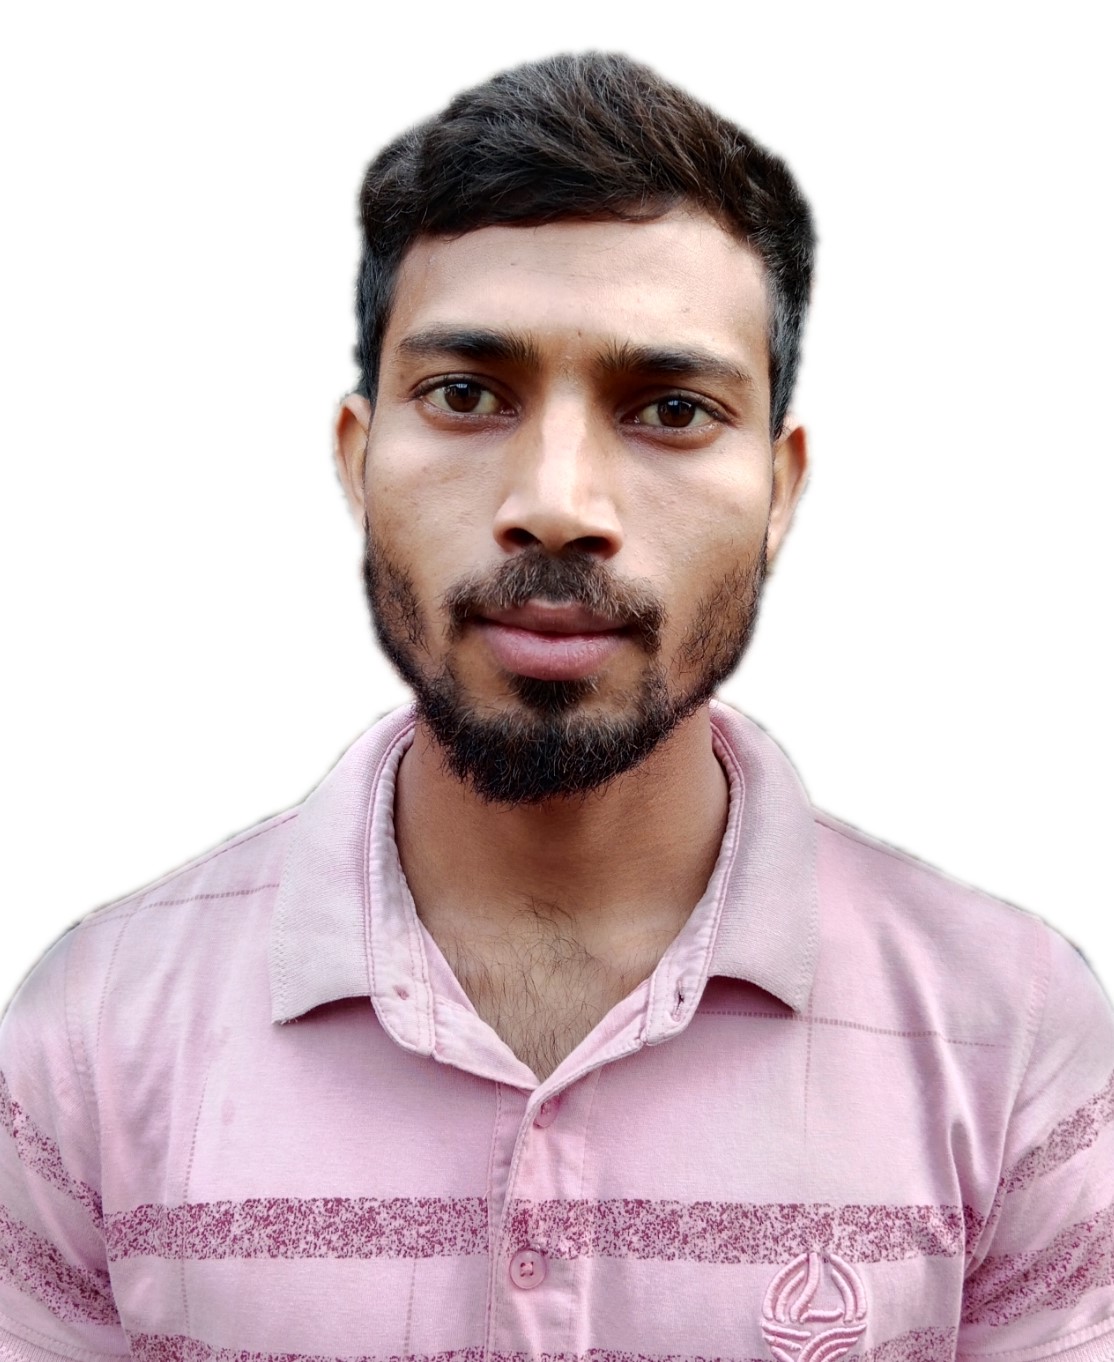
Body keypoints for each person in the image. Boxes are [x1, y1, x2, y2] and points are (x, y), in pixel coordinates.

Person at [1, 50, 1111, 1362]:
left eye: (671, 408)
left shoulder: (1012, 1032)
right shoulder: (89, 1035)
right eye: (467, 394)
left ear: (779, 491)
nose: (557, 503)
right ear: (359, 459)